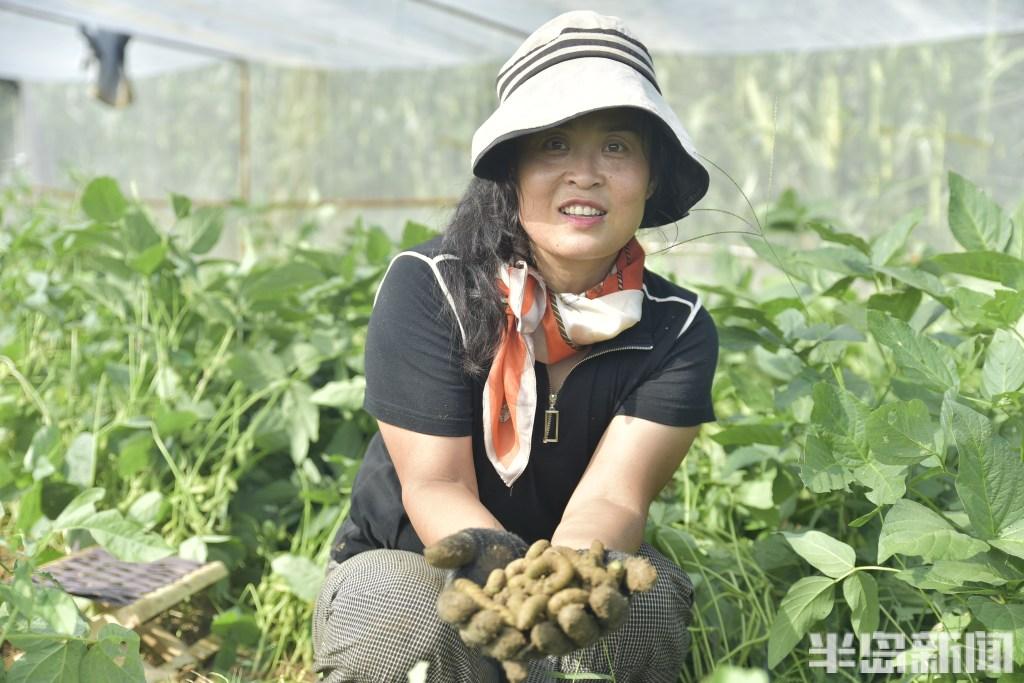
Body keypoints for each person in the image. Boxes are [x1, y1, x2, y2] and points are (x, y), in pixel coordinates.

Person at [313, 10, 718, 682]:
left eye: (616, 147)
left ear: (649, 176)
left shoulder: (676, 328)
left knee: (642, 605)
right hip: (420, 561)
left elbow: (614, 499)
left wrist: (559, 594)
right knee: (406, 607)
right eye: (553, 146)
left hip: (570, 559)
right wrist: (502, 581)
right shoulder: (431, 286)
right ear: (512, 172)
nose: (584, 174)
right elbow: (434, 482)